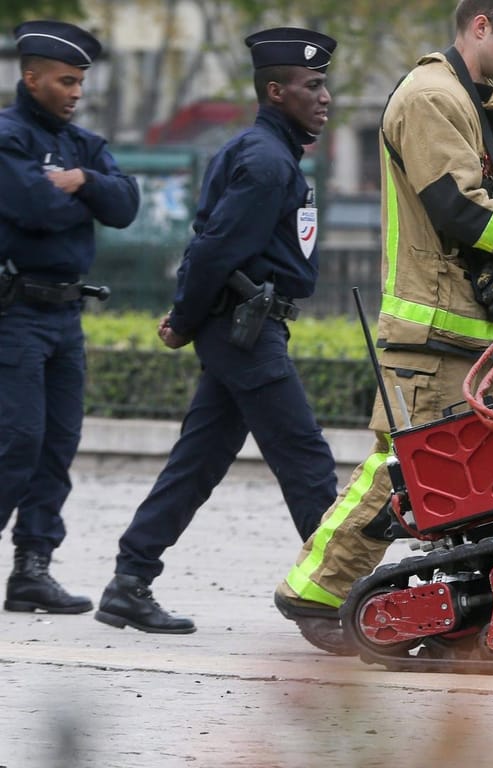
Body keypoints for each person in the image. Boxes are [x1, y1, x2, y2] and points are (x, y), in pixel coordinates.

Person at [274, 0, 493, 653]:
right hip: (435, 332)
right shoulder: (431, 98)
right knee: (402, 467)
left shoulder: (468, 103)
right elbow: (462, 213)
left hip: (472, 333)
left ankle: (480, 609)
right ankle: (314, 592)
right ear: (479, 27)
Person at [94, 27, 340, 634]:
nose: (326, 96)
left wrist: (188, 319)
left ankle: (129, 581)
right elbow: (211, 251)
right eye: (313, 86)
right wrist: (182, 320)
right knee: (305, 458)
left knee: (199, 459)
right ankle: (339, 596)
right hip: (244, 331)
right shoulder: (264, 161)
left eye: (325, 83)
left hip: (245, 328)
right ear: (276, 91)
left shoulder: (270, 154)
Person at [0, 21, 140, 615]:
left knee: (58, 444)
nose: (75, 92)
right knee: (17, 440)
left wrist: (81, 181)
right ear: (31, 78)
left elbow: (126, 204)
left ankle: (32, 569)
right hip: (15, 313)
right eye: (64, 81)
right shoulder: (7, 137)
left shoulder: (83, 147)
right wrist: (86, 200)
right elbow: (30, 206)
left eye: (80, 81)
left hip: (66, 313)